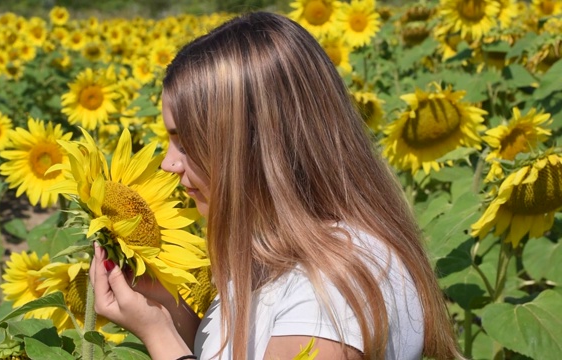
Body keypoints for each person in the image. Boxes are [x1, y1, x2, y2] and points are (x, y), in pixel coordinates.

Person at [90, 11, 462, 360]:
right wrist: (171, 315)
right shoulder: (279, 252)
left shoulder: (330, 296)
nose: (167, 163)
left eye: (187, 143)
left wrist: (159, 335)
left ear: (252, 147)